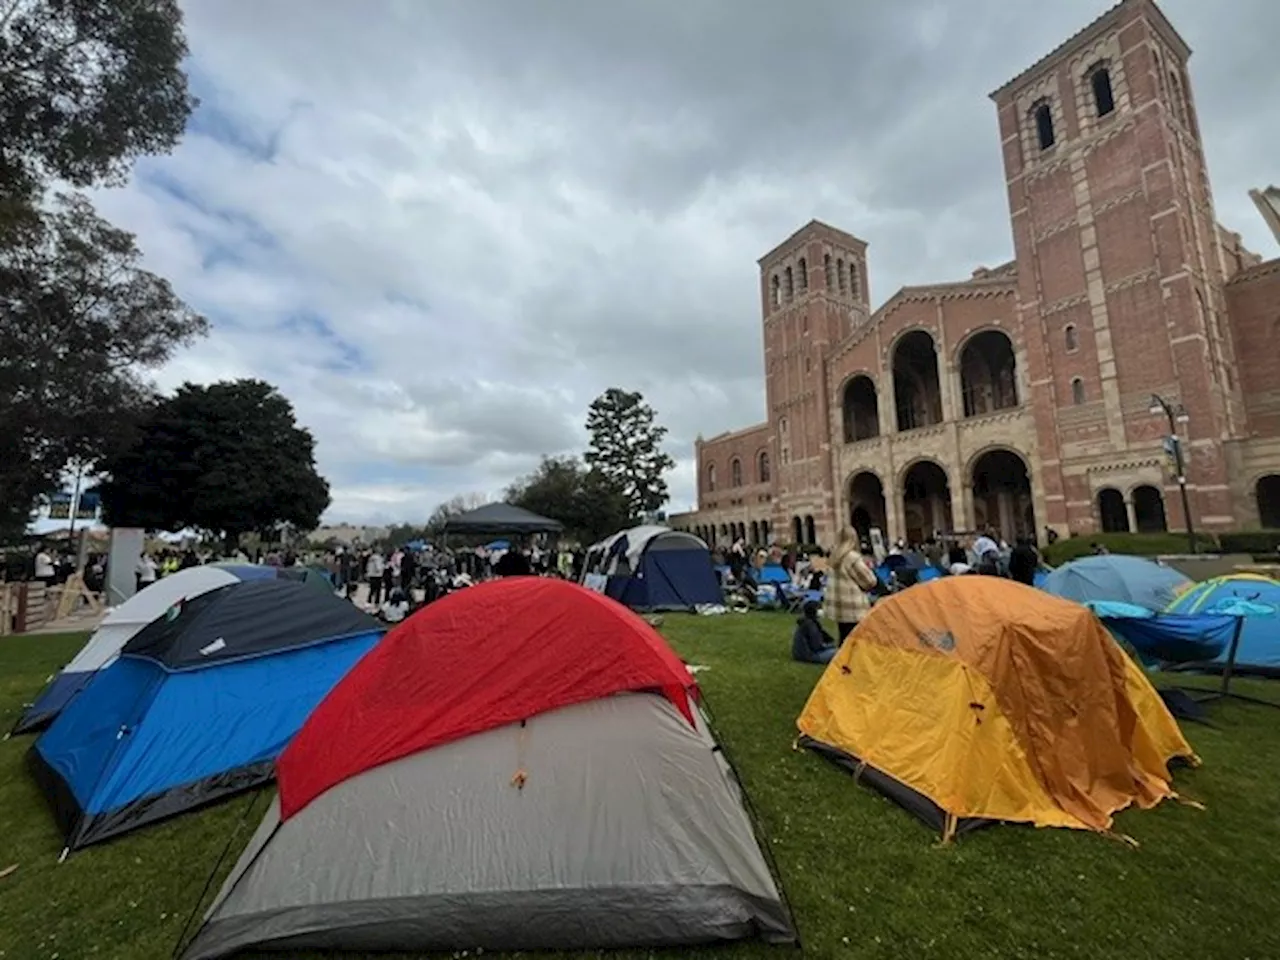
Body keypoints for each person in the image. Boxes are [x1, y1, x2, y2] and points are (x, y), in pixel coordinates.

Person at [829, 530, 878, 641]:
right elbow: (870, 580)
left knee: (843, 636)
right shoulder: (852, 557)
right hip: (853, 605)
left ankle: (843, 658)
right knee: (856, 638)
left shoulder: (834, 556)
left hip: (839, 604)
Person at [791, 600, 838, 665]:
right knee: (840, 652)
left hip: (800, 655)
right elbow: (816, 646)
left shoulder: (806, 622)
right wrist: (829, 646)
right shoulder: (810, 625)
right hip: (808, 656)